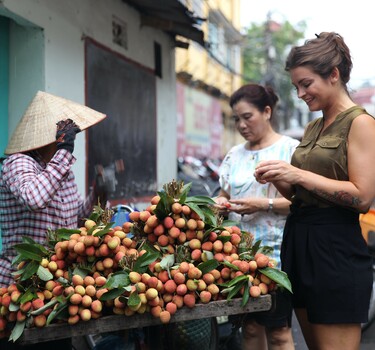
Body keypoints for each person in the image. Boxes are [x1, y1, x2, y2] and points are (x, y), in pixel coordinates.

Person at [254, 32, 375, 350]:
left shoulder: (360, 124)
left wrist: (298, 174)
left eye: (306, 84)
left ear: (334, 75)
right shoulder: (313, 128)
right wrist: (280, 178)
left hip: (335, 246)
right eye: (296, 87)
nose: (300, 93)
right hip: (299, 239)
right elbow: (302, 194)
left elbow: (362, 197)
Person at [0, 90, 107, 349]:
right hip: (22, 286)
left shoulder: (62, 171)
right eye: (66, 138)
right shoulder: (17, 164)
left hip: (58, 288)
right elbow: (34, 198)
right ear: (53, 139)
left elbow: (77, 218)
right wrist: (63, 153)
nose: (71, 144)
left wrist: (98, 194)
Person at [215, 83, 299, 350]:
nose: (241, 125)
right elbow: (224, 193)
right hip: (239, 258)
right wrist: (220, 202)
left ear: (266, 111)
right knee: (250, 330)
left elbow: (303, 203)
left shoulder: (290, 150)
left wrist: (263, 204)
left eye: (247, 117)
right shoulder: (234, 155)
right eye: (236, 119)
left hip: (276, 258)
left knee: (279, 332)